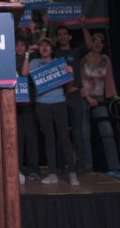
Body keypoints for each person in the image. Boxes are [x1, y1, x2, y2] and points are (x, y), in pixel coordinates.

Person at [21, 37, 80, 186]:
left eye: (47, 45)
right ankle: (52, 173)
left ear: (52, 49)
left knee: (64, 138)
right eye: (41, 45)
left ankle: (72, 173)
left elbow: (69, 85)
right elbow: (23, 74)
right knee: (49, 139)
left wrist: (72, 73)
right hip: (42, 104)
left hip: (59, 102)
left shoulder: (59, 63)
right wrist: (27, 54)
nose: (44, 47)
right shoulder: (34, 63)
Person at [52, 18, 94, 174]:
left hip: (75, 96)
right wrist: (45, 27)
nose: (62, 37)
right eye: (59, 34)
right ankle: (61, 167)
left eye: (65, 34)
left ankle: (81, 167)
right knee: (61, 135)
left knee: (78, 134)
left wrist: (83, 26)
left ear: (69, 37)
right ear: (57, 38)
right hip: (59, 96)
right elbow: (42, 46)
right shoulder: (54, 52)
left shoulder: (76, 51)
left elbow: (90, 46)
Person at [80, 32, 120, 173]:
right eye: (95, 40)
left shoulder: (105, 59)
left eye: (101, 41)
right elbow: (79, 79)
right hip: (83, 98)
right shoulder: (83, 58)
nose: (98, 43)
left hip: (99, 97)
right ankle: (87, 167)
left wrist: (114, 96)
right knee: (84, 133)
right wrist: (87, 97)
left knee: (107, 131)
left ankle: (114, 165)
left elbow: (109, 79)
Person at [15, 36, 40, 181]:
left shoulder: (32, 59)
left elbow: (25, 74)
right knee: (18, 139)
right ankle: (17, 168)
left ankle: (33, 169)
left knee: (31, 138)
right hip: (14, 105)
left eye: (22, 45)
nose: (19, 48)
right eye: (17, 45)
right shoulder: (8, 59)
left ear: (26, 47)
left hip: (29, 103)